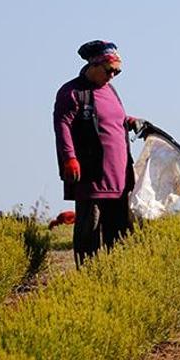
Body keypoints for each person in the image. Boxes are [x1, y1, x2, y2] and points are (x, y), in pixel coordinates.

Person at [53, 40, 145, 267]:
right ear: (93, 65)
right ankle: (88, 275)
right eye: (109, 70)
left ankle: (117, 274)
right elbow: (62, 126)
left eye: (117, 72)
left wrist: (129, 121)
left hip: (118, 177)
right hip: (91, 175)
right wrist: (69, 158)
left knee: (120, 232)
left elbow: (113, 119)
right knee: (89, 230)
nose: (112, 76)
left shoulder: (110, 91)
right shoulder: (71, 92)